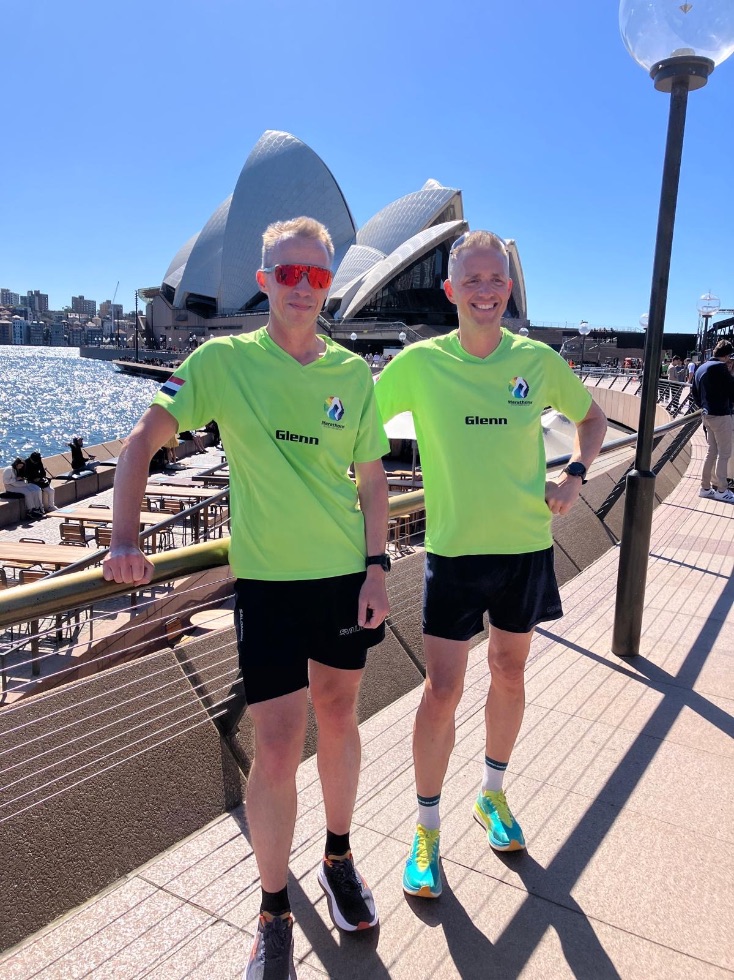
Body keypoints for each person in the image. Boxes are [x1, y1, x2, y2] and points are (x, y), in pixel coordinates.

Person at [102, 216, 390, 980]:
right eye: (288, 274)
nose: (303, 287)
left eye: (317, 275)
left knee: (339, 717)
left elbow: (371, 482)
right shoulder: (222, 361)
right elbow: (141, 441)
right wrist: (124, 537)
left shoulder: (351, 375)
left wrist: (376, 568)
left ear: (330, 284)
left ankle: (337, 858)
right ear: (264, 281)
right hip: (267, 586)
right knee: (273, 747)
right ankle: (272, 906)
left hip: (340, 580)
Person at [375, 230, 607, 899]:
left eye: (496, 280)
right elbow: (356, 426)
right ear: (450, 290)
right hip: (453, 551)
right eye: (471, 280)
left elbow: (590, 421)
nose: (485, 291)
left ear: (510, 287)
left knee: (509, 672)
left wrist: (577, 473)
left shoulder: (536, 360)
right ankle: (426, 829)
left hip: (527, 547)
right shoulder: (419, 365)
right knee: (441, 690)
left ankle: (493, 794)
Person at [692, 339, 734, 503]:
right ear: (727, 355)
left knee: (712, 451)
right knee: (724, 453)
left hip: (706, 414)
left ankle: (705, 488)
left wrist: (704, 406)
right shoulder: (720, 368)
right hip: (721, 415)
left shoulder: (701, 367)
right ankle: (722, 490)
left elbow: (694, 392)